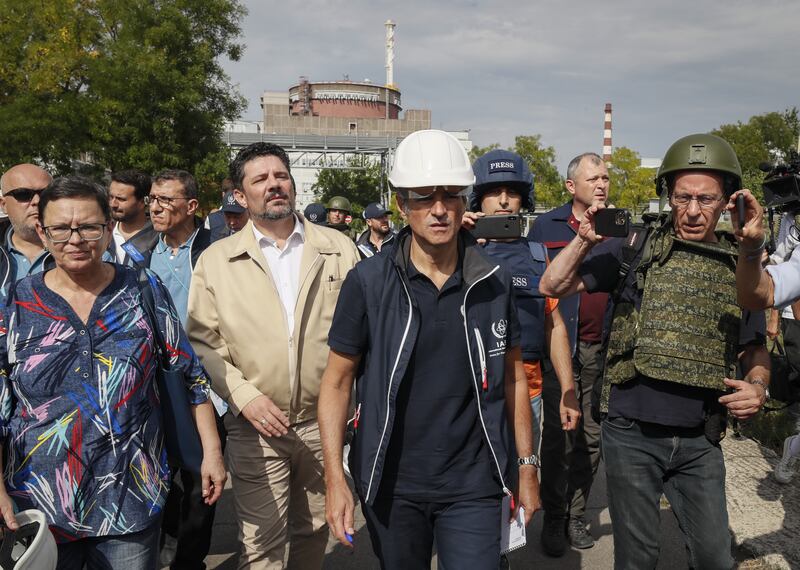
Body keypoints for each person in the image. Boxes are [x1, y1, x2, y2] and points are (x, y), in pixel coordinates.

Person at [541, 133, 770, 569]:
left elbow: (755, 350)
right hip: (630, 434)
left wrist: (757, 387)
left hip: (700, 439)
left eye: (706, 199)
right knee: (638, 557)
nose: (693, 210)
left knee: (713, 557)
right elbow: (551, 286)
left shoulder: (740, 267)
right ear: (668, 196)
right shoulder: (635, 246)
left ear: (727, 202)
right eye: (683, 198)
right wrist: (585, 240)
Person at [319, 129, 541, 570]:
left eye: (450, 195)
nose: (439, 209)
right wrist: (334, 479)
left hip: (475, 483)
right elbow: (337, 382)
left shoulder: (492, 281)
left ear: (464, 201)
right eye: (423, 196)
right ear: (402, 203)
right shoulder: (368, 282)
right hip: (392, 485)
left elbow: (515, 378)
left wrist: (528, 466)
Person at [0, 176, 225, 569]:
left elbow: (190, 375)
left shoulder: (142, 288)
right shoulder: (16, 304)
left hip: (131, 499)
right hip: (40, 505)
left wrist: (212, 454)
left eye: (89, 227)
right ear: (42, 231)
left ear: (108, 230)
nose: (76, 239)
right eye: (61, 229)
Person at [187, 142, 360, 569]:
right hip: (256, 427)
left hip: (325, 425)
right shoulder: (217, 261)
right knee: (260, 544)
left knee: (315, 531)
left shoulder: (339, 248)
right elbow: (202, 342)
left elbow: (363, 332)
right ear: (241, 197)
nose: (273, 185)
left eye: (280, 175)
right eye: (260, 179)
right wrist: (244, 397)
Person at [465, 149, 581, 456]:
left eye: (512, 193)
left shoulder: (538, 255)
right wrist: (457, 243)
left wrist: (568, 391)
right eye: (493, 192)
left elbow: (553, 326)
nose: (503, 201)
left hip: (527, 390)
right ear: (479, 200)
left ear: (523, 200)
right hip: (470, 390)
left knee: (524, 476)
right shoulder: (457, 252)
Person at [527, 152, 610, 553]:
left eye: (606, 178)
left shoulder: (618, 227)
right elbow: (535, 283)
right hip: (559, 346)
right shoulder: (546, 225)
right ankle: (554, 517)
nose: (601, 184)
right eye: (593, 178)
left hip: (600, 349)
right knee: (559, 438)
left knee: (591, 440)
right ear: (571, 186)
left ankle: (577, 515)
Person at [0, 164, 53, 301]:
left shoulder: (86, 254)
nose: (37, 201)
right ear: (3, 205)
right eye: (23, 194)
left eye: (45, 193)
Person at [107, 169, 157, 265]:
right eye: (111, 197)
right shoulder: (102, 232)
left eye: (121, 199)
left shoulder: (159, 238)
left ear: (143, 202)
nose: (113, 204)